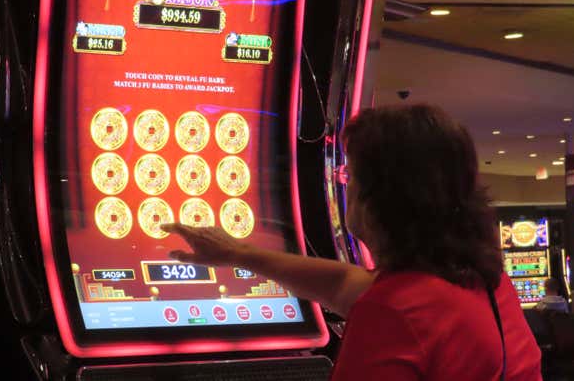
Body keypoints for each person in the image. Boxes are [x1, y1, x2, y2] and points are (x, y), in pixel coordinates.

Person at [161, 103, 542, 380]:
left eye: (351, 174)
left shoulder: (394, 314)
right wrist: (237, 253)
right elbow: (347, 283)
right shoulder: (483, 283)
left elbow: (383, 305)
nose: (345, 184)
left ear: (385, 198)